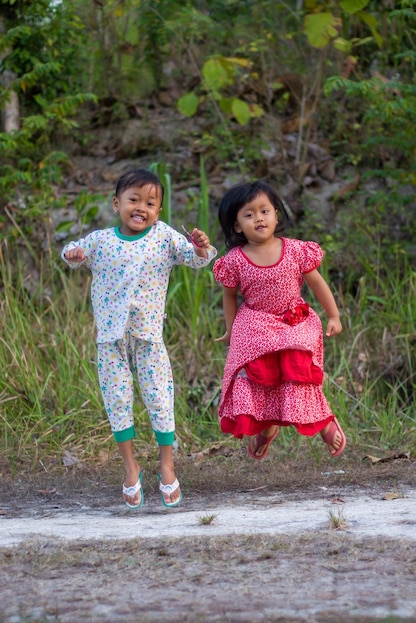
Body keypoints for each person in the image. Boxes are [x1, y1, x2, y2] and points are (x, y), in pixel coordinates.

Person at [62, 169, 217, 509]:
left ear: (159, 211)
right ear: (118, 203)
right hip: (111, 340)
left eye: (150, 203)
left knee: (160, 398)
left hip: (148, 336)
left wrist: (201, 247)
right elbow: (74, 250)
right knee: (118, 400)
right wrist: (72, 255)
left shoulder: (163, 237)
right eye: (134, 200)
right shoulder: (101, 241)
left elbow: (195, 260)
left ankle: (166, 464)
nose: (141, 208)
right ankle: (130, 467)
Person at [213, 179, 346, 460]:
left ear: (275, 213)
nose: (258, 218)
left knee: (297, 373)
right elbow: (229, 297)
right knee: (261, 377)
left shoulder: (296, 251)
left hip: (292, 322)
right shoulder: (235, 260)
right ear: (237, 226)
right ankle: (267, 427)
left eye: (264, 211)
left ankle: (322, 420)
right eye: (248, 215)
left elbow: (318, 284)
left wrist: (333, 315)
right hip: (257, 323)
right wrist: (230, 329)